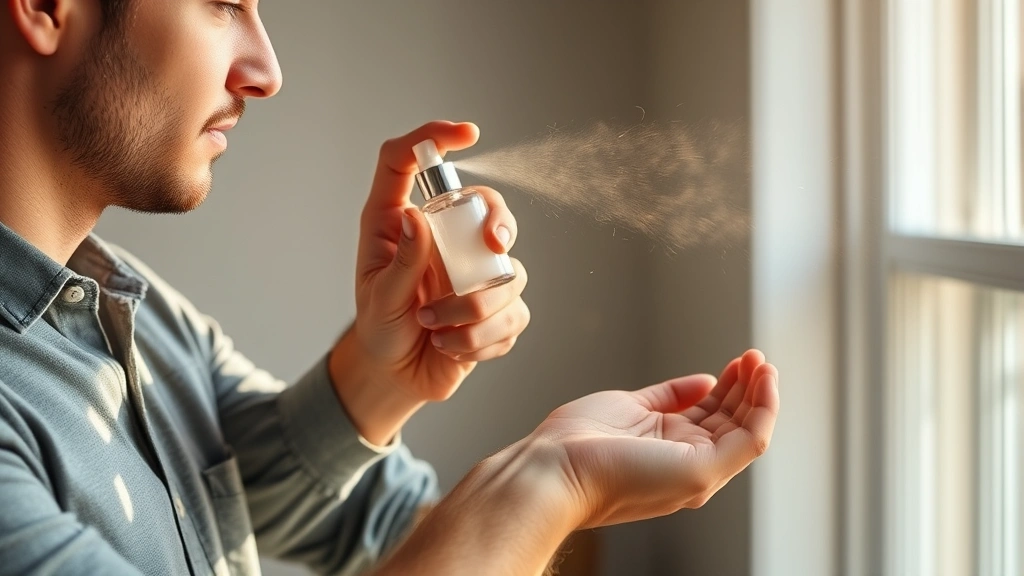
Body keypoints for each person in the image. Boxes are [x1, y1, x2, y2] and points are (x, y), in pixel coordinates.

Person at [0, 1, 781, 575]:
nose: (266, 72)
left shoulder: (134, 310)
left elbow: (246, 493)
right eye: (221, 4)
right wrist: (550, 480)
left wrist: (379, 373)